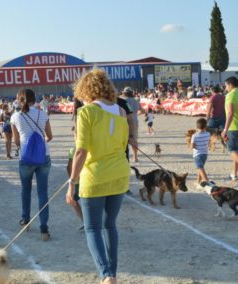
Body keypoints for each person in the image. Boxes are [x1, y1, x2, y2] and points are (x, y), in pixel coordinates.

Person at [66, 69, 130, 284]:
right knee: (110, 225)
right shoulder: (121, 111)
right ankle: (112, 273)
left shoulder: (86, 112)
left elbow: (81, 150)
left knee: (93, 227)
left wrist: (71, 182)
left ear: (85, 89)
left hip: (95, 175)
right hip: (120, 173)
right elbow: (123, 145)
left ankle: (106, 275)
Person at [11, 88, 53, 241]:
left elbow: (16, 141)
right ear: (35, 99)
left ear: (19, 99)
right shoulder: (43, 114)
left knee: (26, 190)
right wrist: (40, 145)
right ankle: (44, 228)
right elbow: (50, 136)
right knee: (43, 193)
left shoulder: (15, 117)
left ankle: (26, 219)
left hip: (26, 158)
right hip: (43, 157)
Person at [120, 86, 146, 162]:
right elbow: (143, 111)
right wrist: (136, 114)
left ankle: (123, 157)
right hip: (134, 121)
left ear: (124, 93)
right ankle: (135, 157)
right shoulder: (135, 101)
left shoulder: (122, 100)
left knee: (122, 140)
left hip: (123, 120)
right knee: (134, 140)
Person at [66, 127, 83, 231]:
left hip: (78, 182)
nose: (75, 138)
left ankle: (84, 220)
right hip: (80, 181)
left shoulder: (74, 150)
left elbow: (69, 167)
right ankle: (84, 220)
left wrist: (71, 179)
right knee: (75, 201)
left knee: (73, 200)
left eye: (75, 136)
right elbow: (68, 167)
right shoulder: (73, 150)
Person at [222, 76, 238, 180]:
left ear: (230, 85)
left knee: (232, 150)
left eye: (226, 85)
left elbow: (230, 113)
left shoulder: (230, 95)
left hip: (233, 127)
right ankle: (234, 174)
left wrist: (225, 129)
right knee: (236, 151)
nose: (225, 88)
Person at [191, 118, 210, 185]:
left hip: (197, 154)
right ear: (206, 126)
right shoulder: (208, 134)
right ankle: (198, 180)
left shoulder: (194, 135)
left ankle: (206, 180)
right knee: (200, 167)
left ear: (196, 127)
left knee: (200, 167)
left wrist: (193, 147)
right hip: (205, 154)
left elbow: (192, 146)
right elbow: (208, 142)